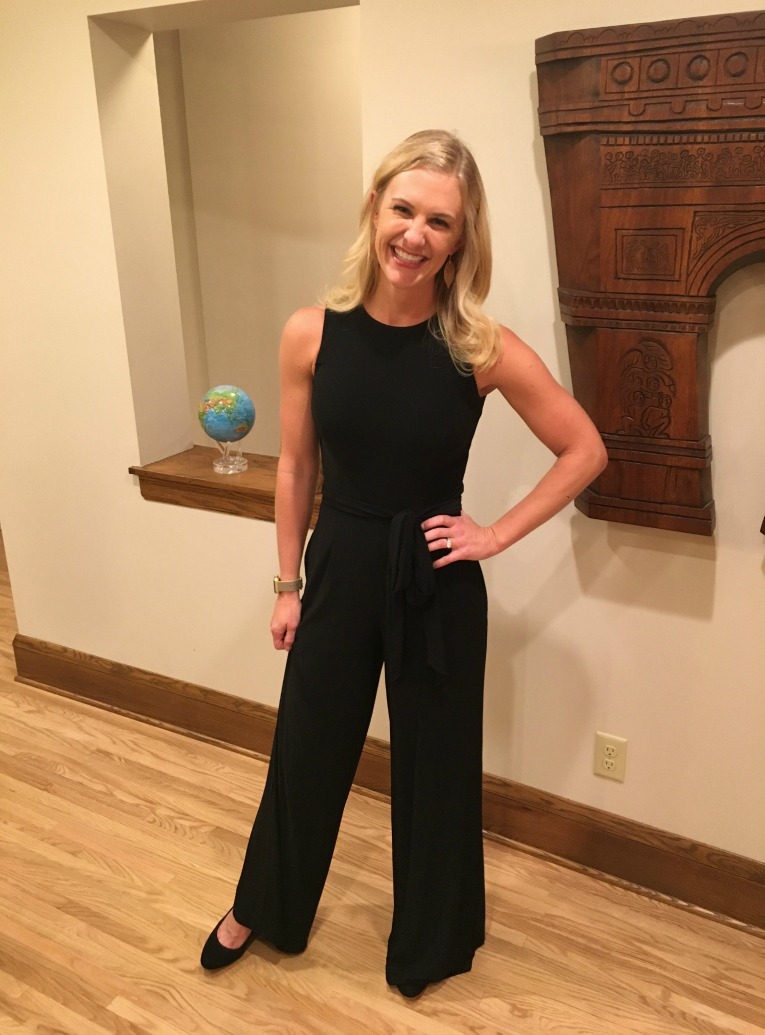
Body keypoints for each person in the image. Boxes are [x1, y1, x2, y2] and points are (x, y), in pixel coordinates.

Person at [200, 129, 607, 997]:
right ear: (375, 210)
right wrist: (286, 583)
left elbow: (584, 449)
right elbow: (297, 468)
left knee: (436, 765)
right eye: (403, 209)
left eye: (439, 221)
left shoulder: (479, 347)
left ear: (459, 240)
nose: (415, 234)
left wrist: (493, 534)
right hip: (340, 562)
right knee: (307, 746)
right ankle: (263, 905)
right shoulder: (311, 333)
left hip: (435, 576)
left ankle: (429, 940)